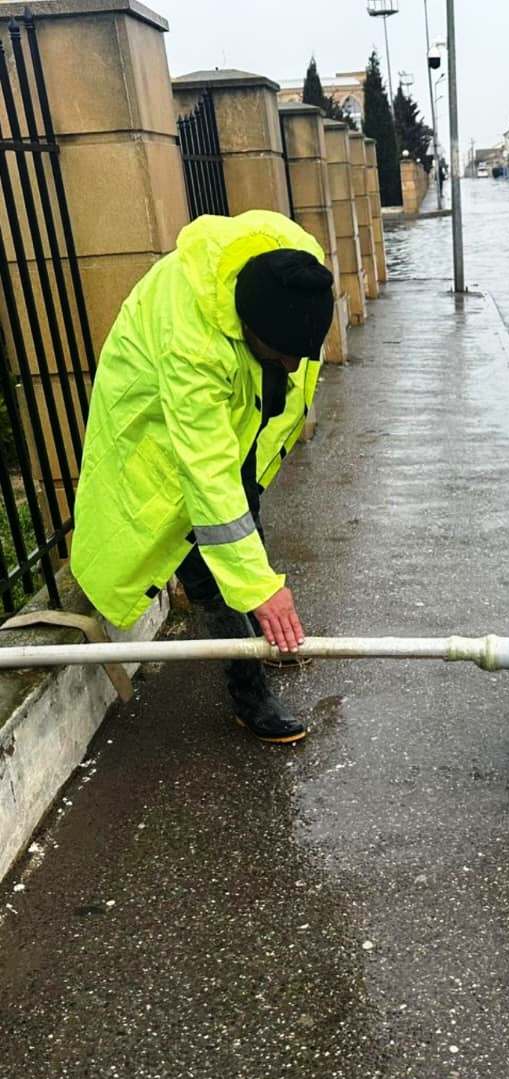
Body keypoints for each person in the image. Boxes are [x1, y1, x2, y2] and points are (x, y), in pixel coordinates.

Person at [70, 210, 335, 744]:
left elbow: (235, 485)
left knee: (243, 517)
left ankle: (262, 632)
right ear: (247, 329)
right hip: (157, 423)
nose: (291, 367)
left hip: (232, 411)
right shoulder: (190, 343)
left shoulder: (295, 265)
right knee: (207, 552)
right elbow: (208, 477)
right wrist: (258, 587)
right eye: (281, 357)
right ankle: (249, 694)